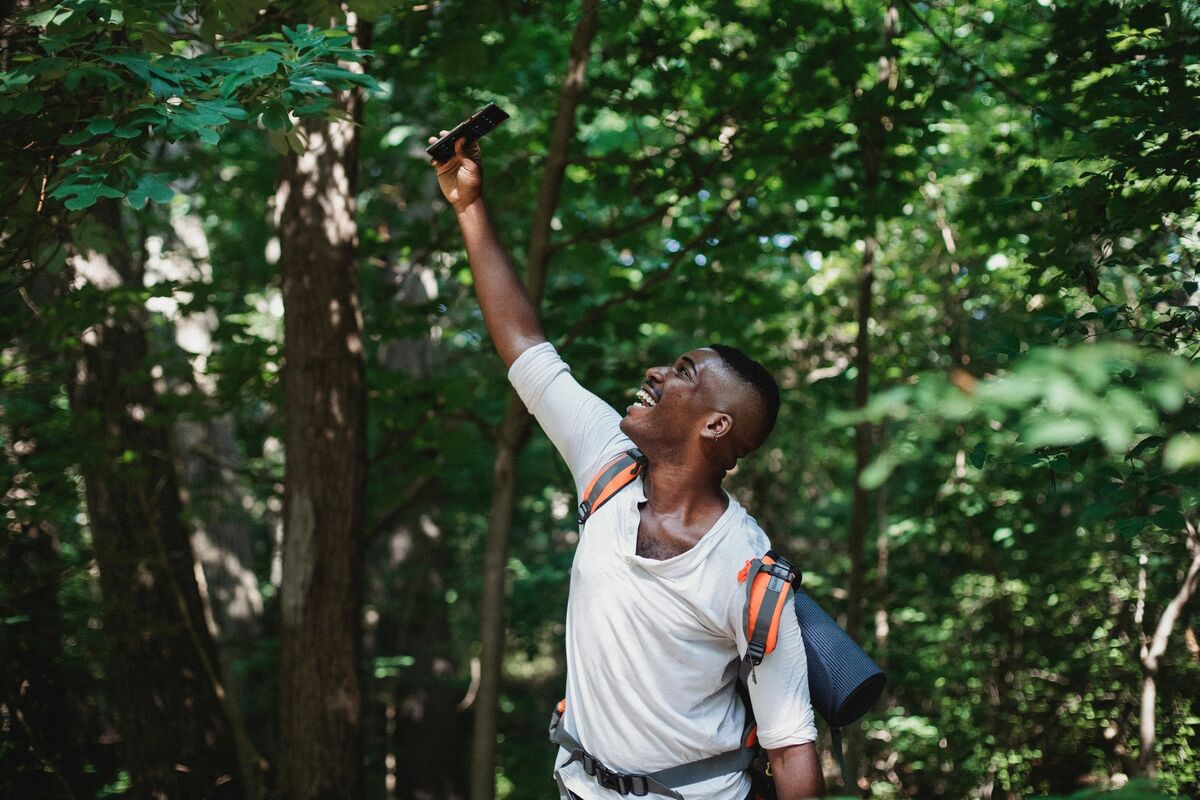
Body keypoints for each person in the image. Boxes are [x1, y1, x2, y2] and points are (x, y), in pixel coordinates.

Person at [430, 133, 824, 800]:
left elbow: (791, 757)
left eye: (682, 373)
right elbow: (526, 346)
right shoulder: (607, 466)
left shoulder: (749, 574)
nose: (656, 372)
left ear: (716, 426)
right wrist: (469, 205)